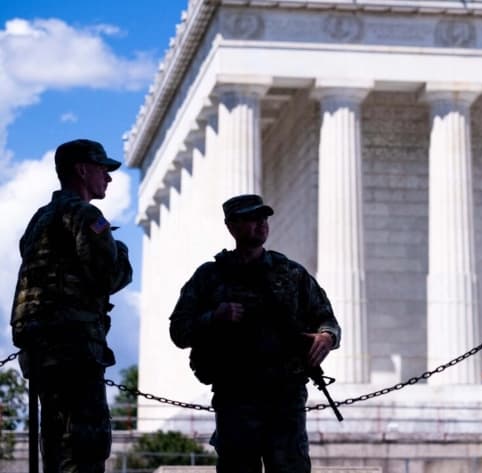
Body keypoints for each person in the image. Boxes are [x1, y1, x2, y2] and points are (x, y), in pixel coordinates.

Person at [170, 194, 341, 473]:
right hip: (235, 396)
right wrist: (215, 317)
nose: (261, 224)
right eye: (252, 218)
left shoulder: (292, 273)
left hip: (285, 396)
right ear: (231, 226)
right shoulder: (210, 277)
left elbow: (327, 319)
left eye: (264, 218)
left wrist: (326, 337)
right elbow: (179, 331)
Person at [10, 139, 133, 473]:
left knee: (57, 444)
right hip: (74, 345)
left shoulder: (41, 218)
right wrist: (119, 249)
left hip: (40, 347)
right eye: (103, 170)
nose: (108, 178)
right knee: (85, 446)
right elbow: (110, 275)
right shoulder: (85, 214)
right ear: (82, 170)